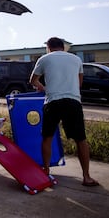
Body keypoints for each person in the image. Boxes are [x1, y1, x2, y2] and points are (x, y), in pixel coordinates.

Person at [29, 37, 99, 187]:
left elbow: (33, 81)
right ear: (63, 47)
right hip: (73, 101)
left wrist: (44, 88)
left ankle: (46, 171)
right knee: (81, 139)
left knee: (47, 137)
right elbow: (79, 83)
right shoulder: (76, 59)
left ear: (48, 47)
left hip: (52, 101)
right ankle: (86, 177)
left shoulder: (44, 59)